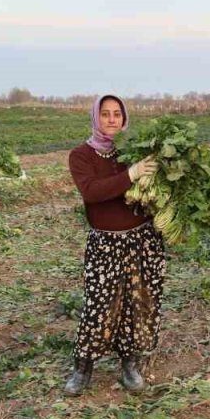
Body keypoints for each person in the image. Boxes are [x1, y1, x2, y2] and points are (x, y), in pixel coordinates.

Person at [64, 95, 163, 395]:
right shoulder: (81, 155)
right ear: (95, 117)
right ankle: (83, 368)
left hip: (141, 241)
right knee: (99, 305)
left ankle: (129, 365)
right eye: (105, 114)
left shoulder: (133, 151)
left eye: (116, 114)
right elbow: (92, 192)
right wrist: (130, 175)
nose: (111, 120)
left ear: (124, 118)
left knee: (138, 305)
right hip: (105, 244)